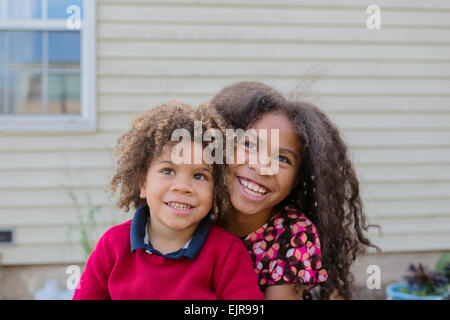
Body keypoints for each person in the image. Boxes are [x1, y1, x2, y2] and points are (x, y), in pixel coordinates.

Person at [72, 101, 265, 300]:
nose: (182, 186)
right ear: (143, 185)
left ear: (215, 190)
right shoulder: (112, 245)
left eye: (199, 176)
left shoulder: (226, 253)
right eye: (168, 171)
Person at [212, 81, 379, 300]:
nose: (262, 167)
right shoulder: (196, 208)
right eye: (250, 145)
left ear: (296, 180)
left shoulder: (294, 236)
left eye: (282, 159)